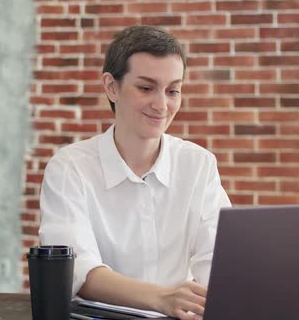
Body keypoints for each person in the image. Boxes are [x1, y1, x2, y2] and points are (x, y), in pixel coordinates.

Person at [39, 25, 231, 320]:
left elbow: (219, 263)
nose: (162, 105)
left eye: (173, 90)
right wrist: (163, 298)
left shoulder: (199, 165)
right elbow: (76, 270)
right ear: (111, 86)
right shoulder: (70, 167)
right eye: (146, 88)